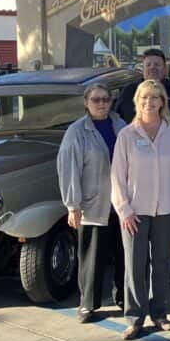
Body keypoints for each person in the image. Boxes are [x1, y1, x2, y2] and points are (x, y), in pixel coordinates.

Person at [111, 80, 170, 340]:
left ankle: (159, 312)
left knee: (162, 262)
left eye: (155, 97)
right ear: (137, 101)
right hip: (135, 211)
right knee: (134, 264)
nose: (149, 102)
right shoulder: (127, 135)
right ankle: (135, 317)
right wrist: (124, 209)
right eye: (144, 97)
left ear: (162, 101)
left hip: (166, 208)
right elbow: (117, 177)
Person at [57, 82, 127, 323]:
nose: (101, 104)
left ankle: (124, 299)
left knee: (123, 254)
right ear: (86, 103)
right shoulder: (76, 132)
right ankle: (88, 304)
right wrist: (72, 205)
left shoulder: (121, 125)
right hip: (93, 204)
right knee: (92, 257)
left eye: (105, 99)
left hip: (122, 204)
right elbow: (68, 170)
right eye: (96, 100)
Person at [115, 48, 170, 122]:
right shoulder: (128, 92)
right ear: (143, 68)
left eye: (157, 64)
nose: (152, 67)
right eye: (148, 65)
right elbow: (117, 119)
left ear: (164, 68)